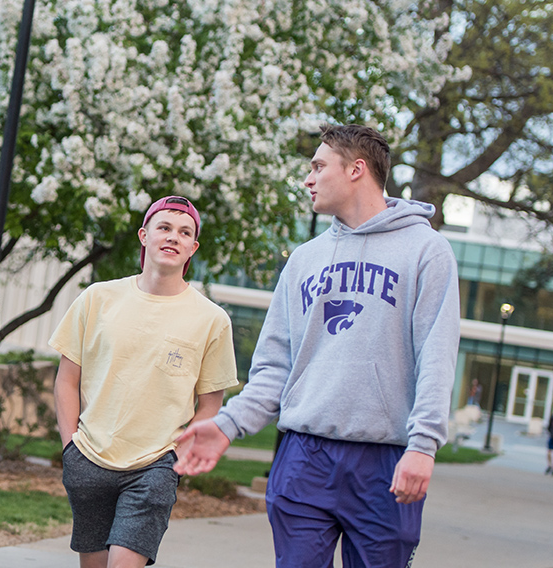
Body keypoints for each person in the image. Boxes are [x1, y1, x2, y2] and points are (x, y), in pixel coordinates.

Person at [174, 124, 461, 568]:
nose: (308, 179)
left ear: (356, 170)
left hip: (383, 462)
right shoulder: (304, 259)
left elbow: (437, 359)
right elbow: (274, 368)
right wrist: (229, 424)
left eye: (318, 166)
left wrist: (422, 446)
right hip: (304, 456)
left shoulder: (427, 251)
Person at [49, 195, 239, 568]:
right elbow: (67, 381)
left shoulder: (212, 319)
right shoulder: (97, 298)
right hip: (88, 458)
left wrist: (176, 460)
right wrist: (70, 447)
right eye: (164, 228)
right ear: (144, 235)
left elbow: (210, 404)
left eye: (185, 232)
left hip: (155, 465)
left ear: (193, 248)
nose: (173, 237)